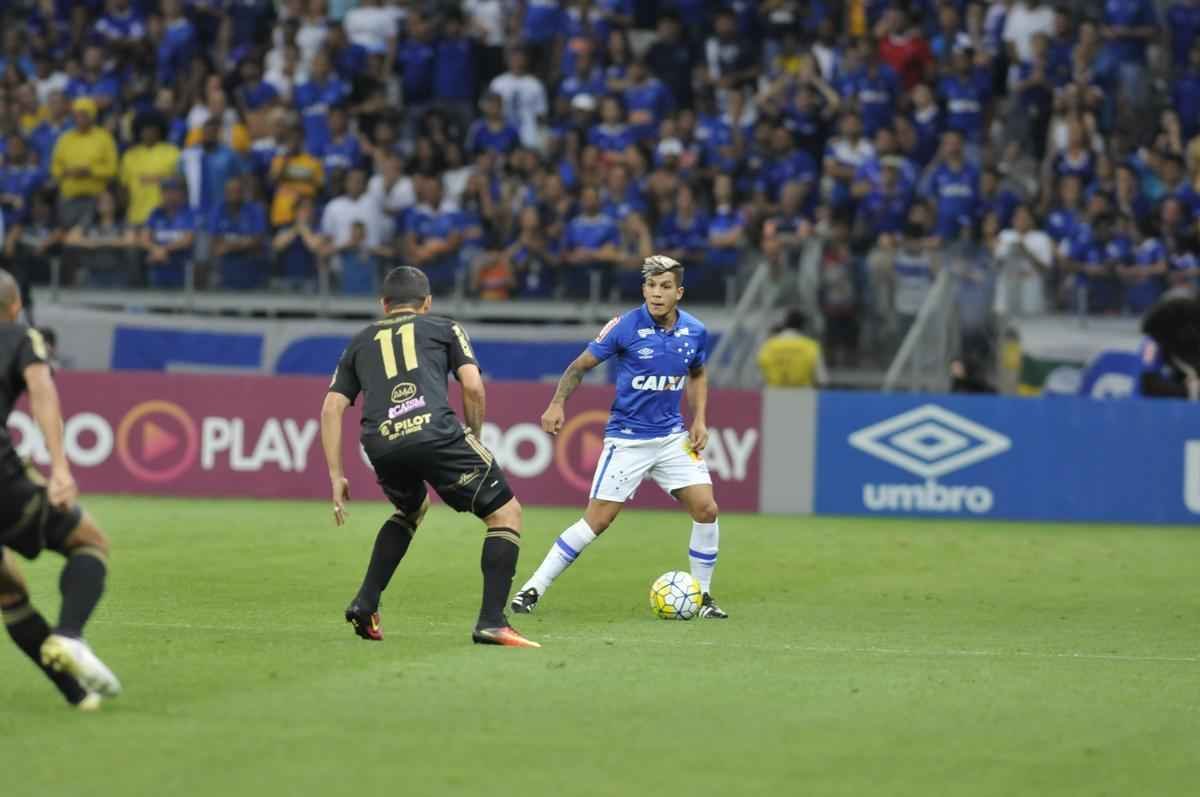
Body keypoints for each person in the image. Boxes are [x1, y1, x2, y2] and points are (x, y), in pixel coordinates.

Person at [321, 266, 538, 648]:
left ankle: (366, 601)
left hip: (381, 443)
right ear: (427, 303)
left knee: (411, 510)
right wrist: (474, 437)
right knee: (506, 514)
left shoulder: (358, 341)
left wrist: (336, 476)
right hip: (435, 433)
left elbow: (331, 408)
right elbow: (473, 386)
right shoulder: (445, 327)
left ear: (383, 304)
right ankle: (491, 621)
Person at [512, 255, 728, 620]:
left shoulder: (695, 331)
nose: (656, 294)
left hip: (672, 438)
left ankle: (703, 597)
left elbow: (698, 373)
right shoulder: (623, 327)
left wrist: (700, 419)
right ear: (643, 288)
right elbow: (579, 367)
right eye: (650, 286)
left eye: (664, 287)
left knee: (707, 509)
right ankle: (533, 587)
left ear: (679, 292)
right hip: (627, 440)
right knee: (597, 521)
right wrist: (556, 404)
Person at [0, 269, 120, 708]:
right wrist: (61, 468)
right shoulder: (19, 335)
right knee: (89, 542)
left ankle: (77, 695)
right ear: (16, 308)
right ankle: (69, 635)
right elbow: (42, 391)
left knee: (9, 591)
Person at [756, 308, 828, 388]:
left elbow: (759, 378)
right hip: (803, 396)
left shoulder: (768, 345)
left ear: (785, 324)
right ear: (803, 326)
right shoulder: (810, 346)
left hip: (772, 396)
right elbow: (822, 379)